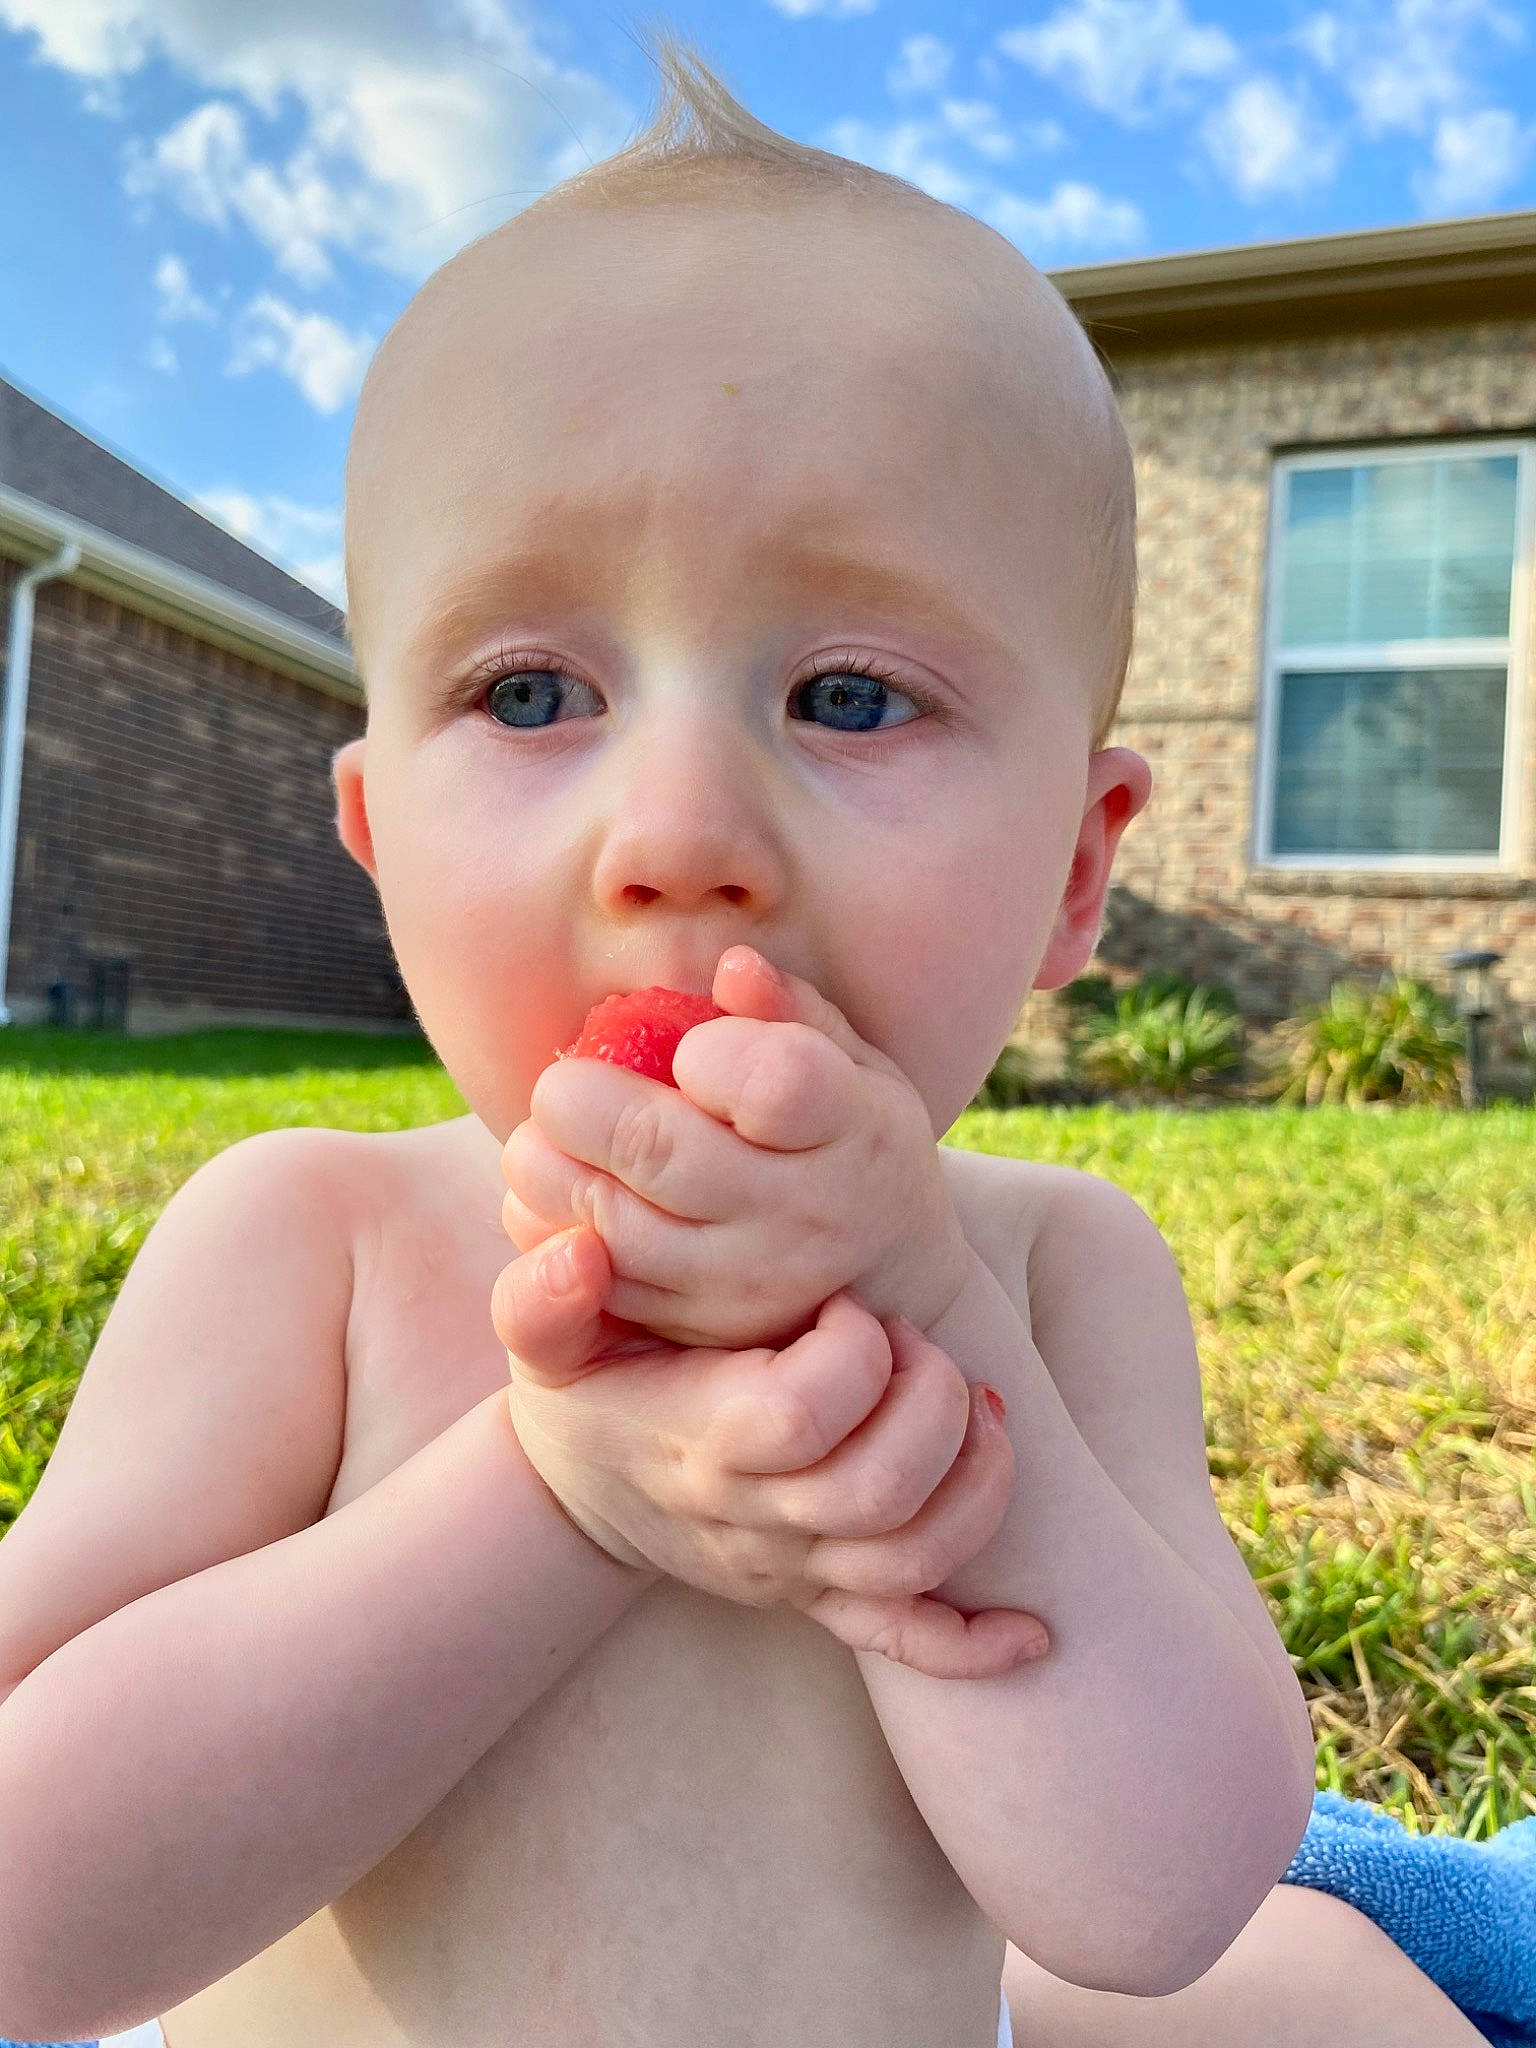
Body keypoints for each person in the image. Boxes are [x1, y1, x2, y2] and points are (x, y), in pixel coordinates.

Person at [0, 35, 1493, 2048]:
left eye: (853, 698)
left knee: (1328, 1996)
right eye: (531, 693)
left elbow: (1161, 1894)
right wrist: (555, 1492)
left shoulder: (1056, 1278)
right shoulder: (306, 1248)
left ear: (1074, 867)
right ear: (378, 842)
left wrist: (940, 1344)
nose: (681, 834)